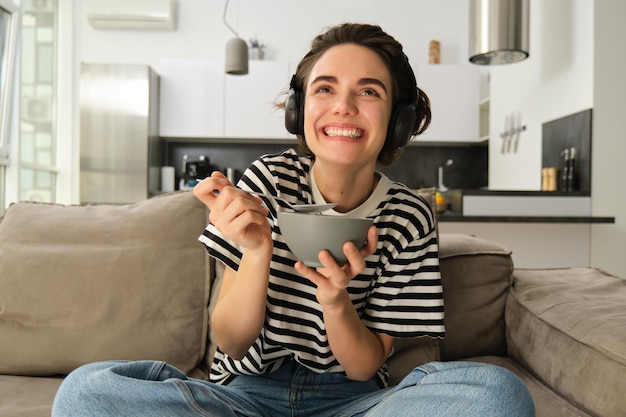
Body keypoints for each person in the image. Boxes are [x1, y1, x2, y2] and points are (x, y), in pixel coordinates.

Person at [52, 23, 534, 417]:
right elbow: (232, 341)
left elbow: (367, 366)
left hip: (352, 400)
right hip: (243, 394)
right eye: (325, 89)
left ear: (398, 120)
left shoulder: (408, 215)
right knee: (85, 393)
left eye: (369, 91)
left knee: (496, 396)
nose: (344, 105)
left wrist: (335, 299)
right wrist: (258, 250)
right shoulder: (269, 180)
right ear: (300, 111)